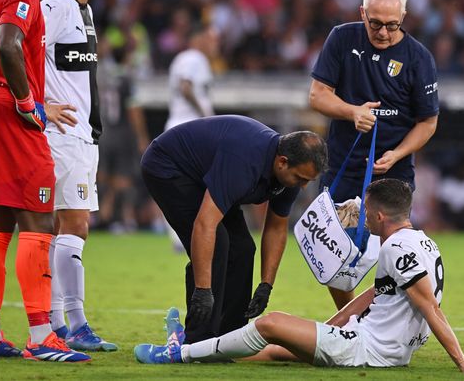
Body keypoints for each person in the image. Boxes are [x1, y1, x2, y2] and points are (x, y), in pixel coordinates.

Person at [132, 179, 464, 375]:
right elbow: (374, 293)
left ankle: (176, 355)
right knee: (276, 350)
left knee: (271, 323)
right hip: (373, 343)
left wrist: (463, 364)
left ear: (381, 216)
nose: (363, 217)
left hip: (370, 350)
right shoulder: (422, 242)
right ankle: (196, 348)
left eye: (367, 211)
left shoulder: (395, 248)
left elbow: (431, 309)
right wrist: (332, 326)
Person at [0, 0, 89, 362]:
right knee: (38, 224)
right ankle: (40, 336)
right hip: (11, 115)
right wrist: (25, 102)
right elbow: (7, 44)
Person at [308, 0, 439, 309]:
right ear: (362, 13)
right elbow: (317, 95)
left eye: (392, 24)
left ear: (404, 16)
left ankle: (393, 319)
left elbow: (428, 122)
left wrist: (398, 153)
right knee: (334, 254)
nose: (383, 32)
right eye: (375, 23)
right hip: (343, 167)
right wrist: (352, 111)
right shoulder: (342, 38)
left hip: (392, 175)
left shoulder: (419, 58)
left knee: (395, 251)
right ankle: (350, 320)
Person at [140, 115, 327, 344]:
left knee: (243, 249)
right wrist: (202, 291)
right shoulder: (244, 160)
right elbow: (204, 225)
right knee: (218, 244)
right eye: (301, 178)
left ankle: (231, 338)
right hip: (169, 167)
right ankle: (197, 340)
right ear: (282, 162)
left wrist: (266, 285)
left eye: (308, 180)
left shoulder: (291, 174)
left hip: (207, 173)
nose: (303, 185)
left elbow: (277, 228)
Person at [41, 0, 117, 352]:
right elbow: (20, 51)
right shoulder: (55, 5)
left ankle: (56, 322)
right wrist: (42, 107)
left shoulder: (85, 9)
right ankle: (77, 323)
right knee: (76, 226)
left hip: (84, 136)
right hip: (63, 137)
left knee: (63, 228)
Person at [164, 25, 220, 252]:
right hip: (187, 129)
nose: (215, 44)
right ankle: (185, 238)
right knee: (198, 186)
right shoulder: (194, 57)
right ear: (198, 38)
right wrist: (205, 116)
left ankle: (183, 239)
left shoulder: (185, 58)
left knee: (182, 187)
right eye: (211, 38)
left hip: (181, 129)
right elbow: (186, 87)